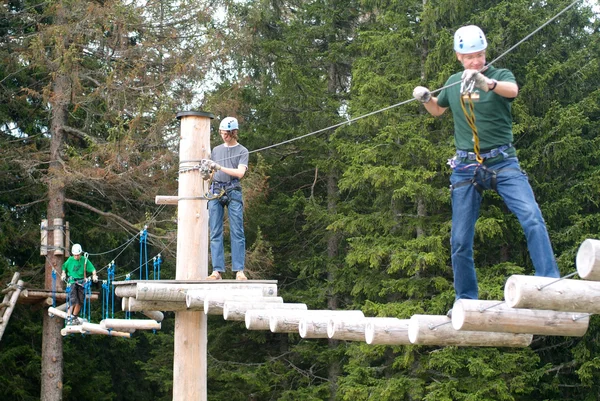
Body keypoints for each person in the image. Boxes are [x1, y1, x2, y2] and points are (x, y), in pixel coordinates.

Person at [412, 25, 559, 303]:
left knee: (531, 216)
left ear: (485, 52)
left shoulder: (499, 75)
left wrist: (486, 82)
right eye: (470, 58)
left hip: (502, 162)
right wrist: (426, 98)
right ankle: (466, 299)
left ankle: (549, 280)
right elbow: (437, 110)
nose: (476, 61)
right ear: (459, 56)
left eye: (479, 55)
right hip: (466, 167)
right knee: (459, 241)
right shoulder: (454, 81)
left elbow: (512, 91)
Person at [205, 116, 249, 281]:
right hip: (216, 190)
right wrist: (207, 173)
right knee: (215, 231)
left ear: (233, 133)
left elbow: (240, 173)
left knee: (237, 231)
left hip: (233, 191)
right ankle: (217, 271)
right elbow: (211, 175)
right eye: (222, 133)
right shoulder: (216, 150)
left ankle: (239, 270)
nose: (224, 136)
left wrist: (219, 166)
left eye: (227, 134)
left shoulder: (242, 151)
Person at [61, 243, 98, 324]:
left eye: (78, 255)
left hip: (81, 283)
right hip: (72, 282)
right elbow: (64, 267)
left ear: (80, 254)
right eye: (75, 255)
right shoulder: (70, 260)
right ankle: (68, 317)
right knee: (73, 300)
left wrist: (94, 275)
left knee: (80, 301)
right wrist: (63, 274)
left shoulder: (84, 260)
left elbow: (92, 269)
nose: (76, 257)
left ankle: (74, 316)